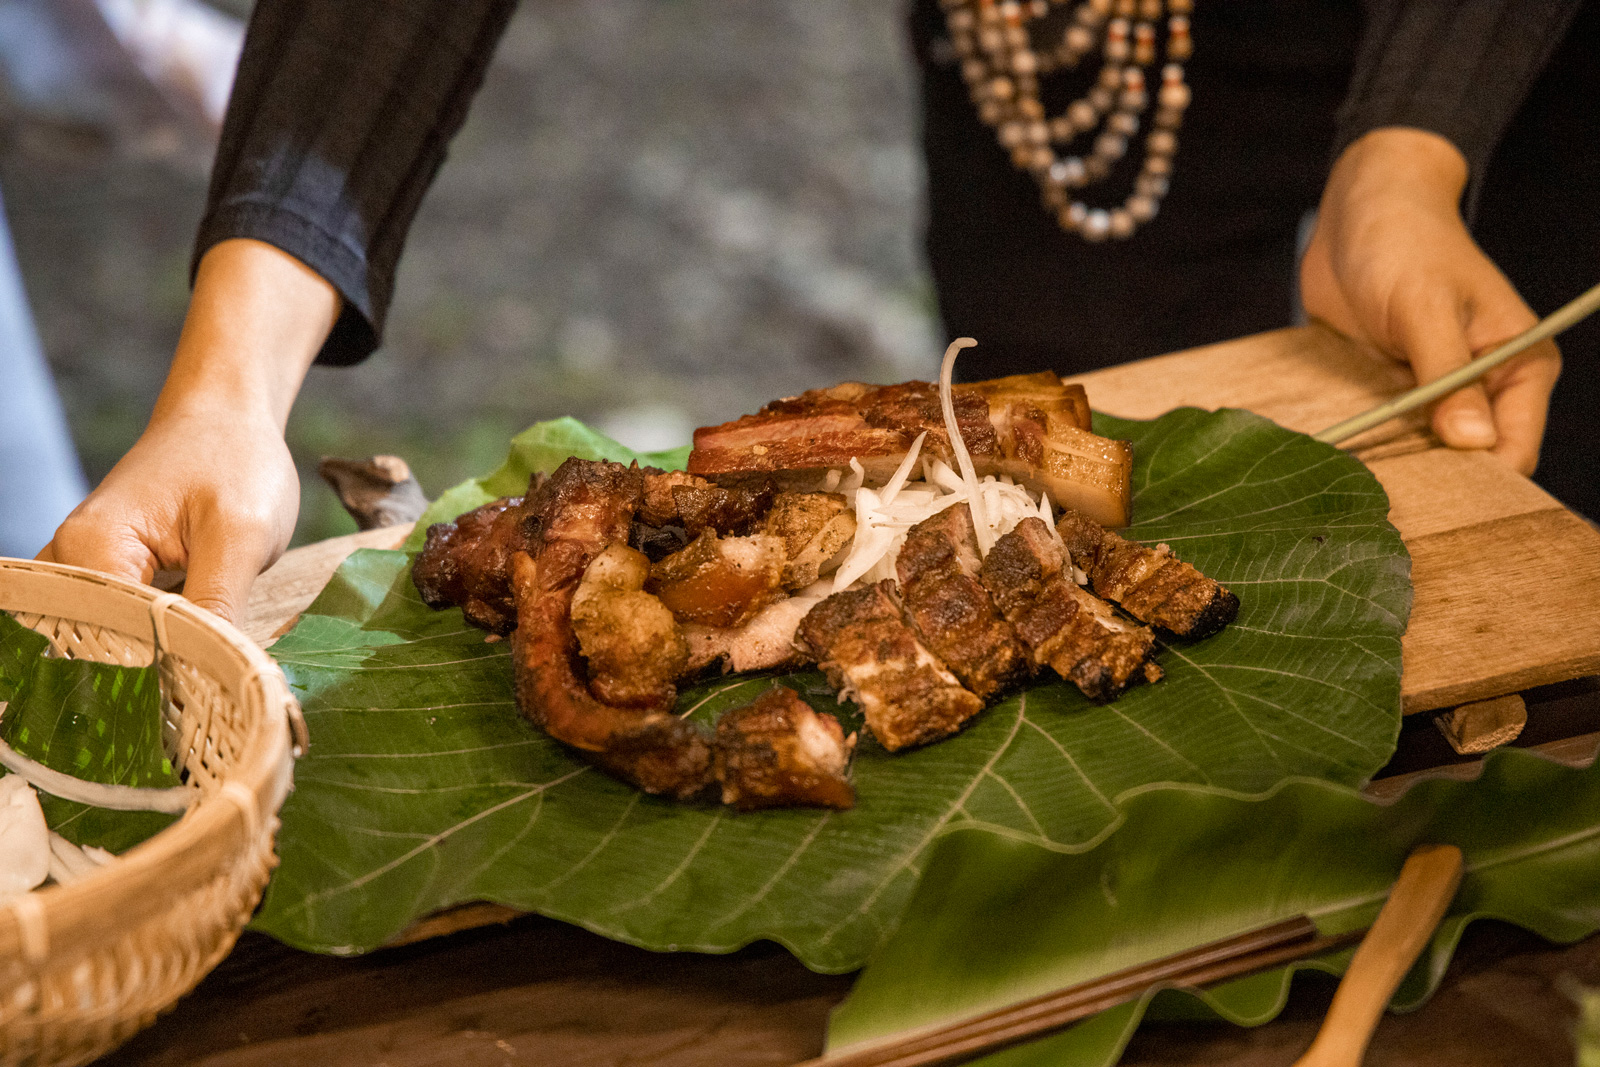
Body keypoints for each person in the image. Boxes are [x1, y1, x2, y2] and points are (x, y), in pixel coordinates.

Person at [37, 0, 1589, 625]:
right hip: (1049, 45)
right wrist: (230, 385)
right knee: (1073, 550)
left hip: (1488, 65)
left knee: (1510, 528)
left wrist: (1412, 149)